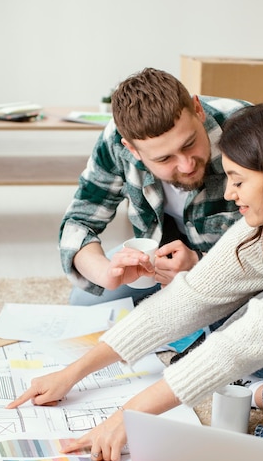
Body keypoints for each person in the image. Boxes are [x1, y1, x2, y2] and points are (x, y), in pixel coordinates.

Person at [9, 100, 263, 461]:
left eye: (239, 180)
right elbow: (195, 295)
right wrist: (73, 373)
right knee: (224, 314)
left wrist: (127, 416)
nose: (229, 193)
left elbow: (257, 335)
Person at [59, 67, 251, 306]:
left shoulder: (249, 129)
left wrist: (200, 264)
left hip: (233, 265)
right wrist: (107, 274)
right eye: (164, 159)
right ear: (131, 149)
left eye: (189, 143)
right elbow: (78, 223)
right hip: (158, 254)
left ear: (198, 109)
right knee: (84, 301)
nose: (186, 165)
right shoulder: (115, 142)